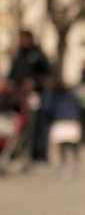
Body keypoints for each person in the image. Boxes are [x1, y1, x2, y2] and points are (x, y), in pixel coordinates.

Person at [7, 30, 50, 167]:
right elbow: (12, 75)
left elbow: (47, 75)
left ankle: (38, 156)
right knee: (19, 127)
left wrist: (34, 82)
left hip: (34, 97)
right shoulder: (18, 56)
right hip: (18, 98)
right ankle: (17, 155)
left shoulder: (38, 55)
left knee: (36, 126)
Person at [42, 74, 82, 178]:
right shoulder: (71, 93)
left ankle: (63, 166)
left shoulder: (52, 94)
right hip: (71, 120)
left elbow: (47, 108)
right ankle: (76, 163)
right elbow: (78, 104)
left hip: (59, 121)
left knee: (62, 146)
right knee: (74, 144)